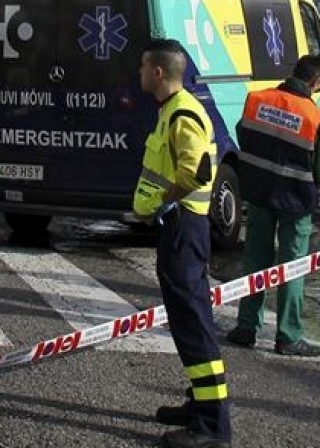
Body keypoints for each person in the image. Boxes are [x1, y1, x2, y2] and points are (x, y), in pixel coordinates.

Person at [133, 39, 230, 448]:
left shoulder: (183, 113)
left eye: (142, 67)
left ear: (158, 72)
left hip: (182, 228)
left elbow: (196, 172)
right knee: (187, 321)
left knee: (193, 324)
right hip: (178, 229)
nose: (138, 73)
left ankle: (212, 427)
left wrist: (162, 203)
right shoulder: (171, 110)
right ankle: (199, 404)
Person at [227, 52, 320, 356]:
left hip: (258, 193)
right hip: (296, 201)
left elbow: (243, 135)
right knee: (291, 266)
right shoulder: (313, 115)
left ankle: (246, 328)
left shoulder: (257, 100)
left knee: (255, 259)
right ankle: (288, 336)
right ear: (315, 82)